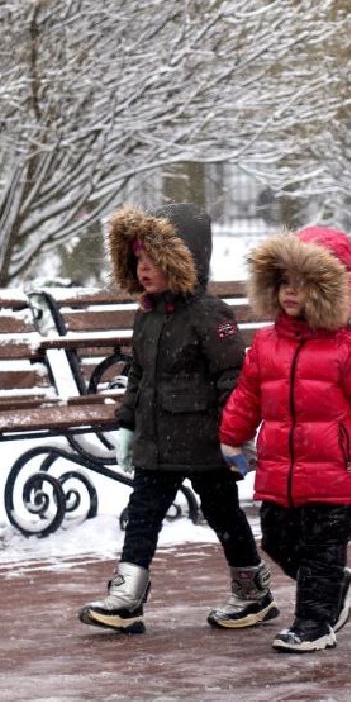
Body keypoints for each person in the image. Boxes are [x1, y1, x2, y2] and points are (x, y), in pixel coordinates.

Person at [78, 204, 275, 634]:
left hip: (205, 442)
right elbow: (139, 374)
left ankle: (252, 590)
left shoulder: (209, 314)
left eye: (153, 260)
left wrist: (233, 435)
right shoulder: (146, 315)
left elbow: (232, 377)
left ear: (180, 261)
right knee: (143, 514)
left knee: (223, 514)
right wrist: (128, 424)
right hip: (156, 442)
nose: (144, 269)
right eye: (138, 260)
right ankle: (127, 595)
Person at [218, 225, 351, 653]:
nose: (289, 293)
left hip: (336, 474)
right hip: (282, 470)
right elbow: (248, 396)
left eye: (302, 284)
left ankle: (313, 625)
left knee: (321, 551)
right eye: (283, 282)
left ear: (329, 289)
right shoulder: (267, 344)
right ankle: (335, 582)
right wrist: (232, 438)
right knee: (277, 541)